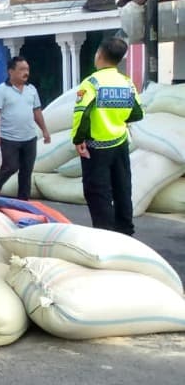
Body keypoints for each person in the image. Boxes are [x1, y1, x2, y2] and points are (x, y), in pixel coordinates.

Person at [72, 33, 144, 236]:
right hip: (120, 144)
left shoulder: (91, 83)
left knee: (98, 191)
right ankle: (125, 231)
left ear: (100, 54)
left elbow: (81, 113)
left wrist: (78, 139)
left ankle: (106, 234)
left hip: (96, 148)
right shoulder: (127, 83)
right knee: (122, 188)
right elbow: (137, 112)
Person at [0, 55, 52, 200]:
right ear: (11, 71)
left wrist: (45, 131)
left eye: (27, 69)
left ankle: (24, 201)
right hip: (9, 138)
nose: (26, 73)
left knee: (26, 171)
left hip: (29, 137)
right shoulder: (1, 91)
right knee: (10, 166)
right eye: (22, 69)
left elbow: (37, 111)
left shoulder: (31, 90)